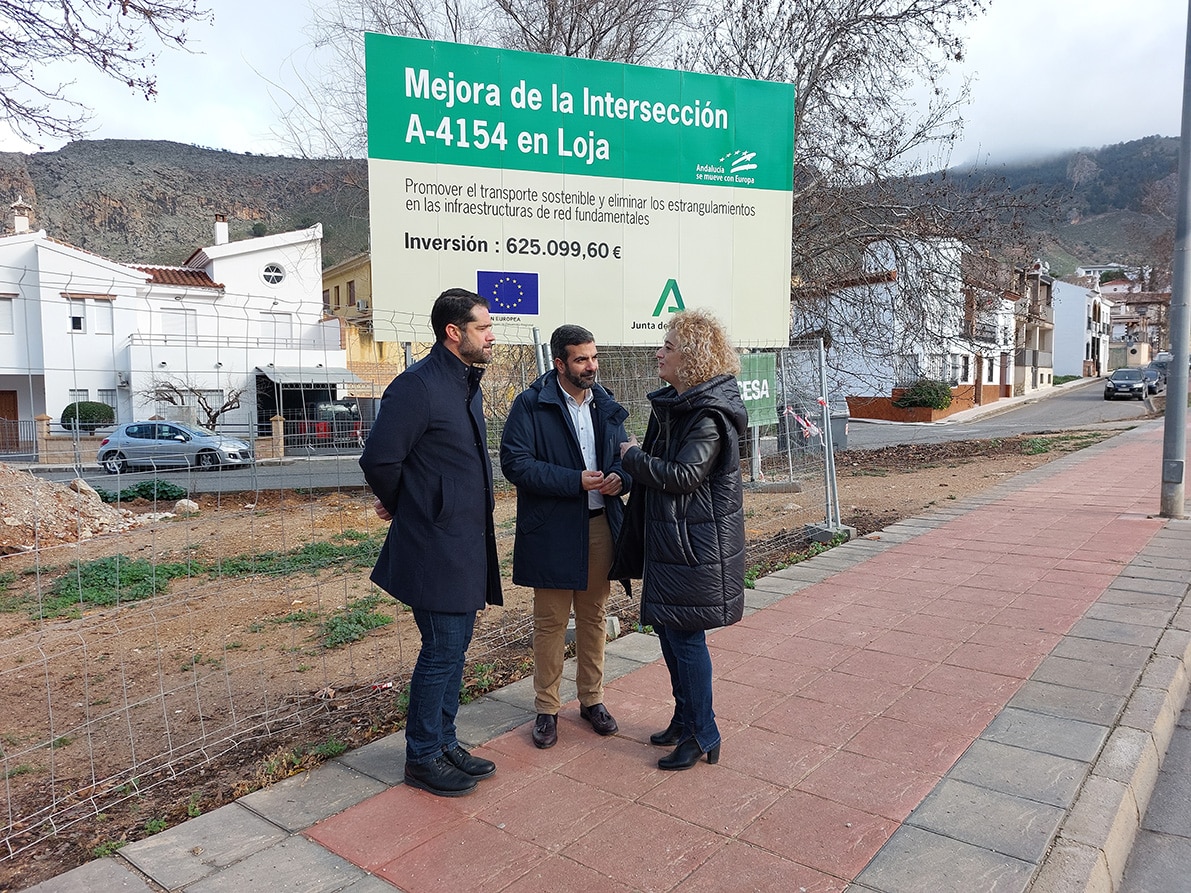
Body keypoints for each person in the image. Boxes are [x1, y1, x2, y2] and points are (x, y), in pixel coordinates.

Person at [360, 287, 503, 797]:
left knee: (455, 647)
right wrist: (409, 505)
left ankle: (443, 742)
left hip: (464, 540)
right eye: (484, 328)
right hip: (435, 543)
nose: (492, 336)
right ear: (454, 332)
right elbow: (379, 460)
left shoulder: (466, 383)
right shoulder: (417, 386)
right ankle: (422, 755)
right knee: (441, 649)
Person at [611, 309, 747, 771]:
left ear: (692, 357)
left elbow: (686, 475)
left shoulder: (707, 414)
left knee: (686, 640)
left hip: (695, 548)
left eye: (667, 347)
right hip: (676, 542)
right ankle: (684, 717)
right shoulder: (679, 405)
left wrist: (631, 456)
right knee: (671, 635)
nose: (658, 353)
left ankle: (701, 733)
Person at [500, 325, 631, 748]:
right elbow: (515, 464)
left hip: (599, 527)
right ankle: (546, 709)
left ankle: (593, 700)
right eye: (581, 359)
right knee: (551, 623)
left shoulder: (607, 404)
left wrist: (620, 479)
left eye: (594, 357)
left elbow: (625, 457)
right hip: (552, 530)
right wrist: (574, 480)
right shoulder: (530, 405)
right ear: (560, 363)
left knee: (593, 619)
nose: (591, 366)